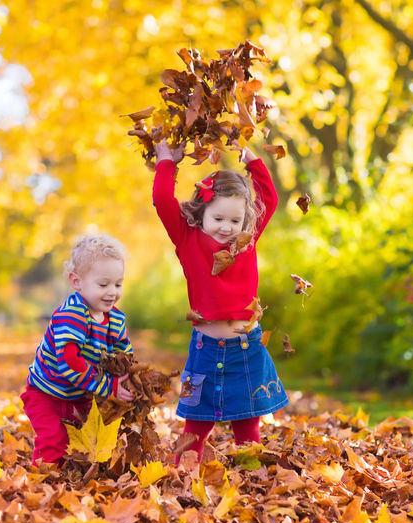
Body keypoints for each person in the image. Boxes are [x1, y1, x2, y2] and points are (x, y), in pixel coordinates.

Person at [153, 141, 288, 461]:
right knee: (195, 429)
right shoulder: (188, 239)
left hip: (247, 349)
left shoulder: (247, 240)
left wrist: (253, 161)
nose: (227, 228)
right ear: (201, 214)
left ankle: (251, 486)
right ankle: (183, 481)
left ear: (246, 222)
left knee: (248, 428)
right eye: (218, 219)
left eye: (235, 221)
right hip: (205, 350)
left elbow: (269, 198)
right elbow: (162, 200)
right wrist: (165, 162)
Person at [20, 234, 135, 466]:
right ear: (77, 282)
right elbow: (70, 363)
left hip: (79, 395)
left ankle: (73, 479)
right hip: (46, 393)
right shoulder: (72, 315)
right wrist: (110, 387)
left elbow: (124, 354)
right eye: (103, 284)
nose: (112, 291)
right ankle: (41, 484)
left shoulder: (114, 318)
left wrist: (131, 379)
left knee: (84, 445)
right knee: (54, 442)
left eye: (118, 284)